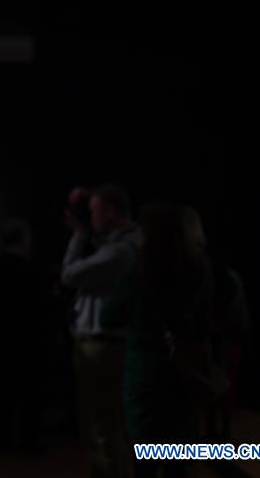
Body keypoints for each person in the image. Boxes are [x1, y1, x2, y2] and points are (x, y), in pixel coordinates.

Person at [101, 203, 214, 478]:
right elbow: (204, 324)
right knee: (176, 460)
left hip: (145, 375)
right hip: (184, 373)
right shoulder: (199, 273)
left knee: (145, 459)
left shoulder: (139, 275)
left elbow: (108, 317)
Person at [62, 184, 139, 478]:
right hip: (107, 345)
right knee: (107, 427)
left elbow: (69, 275)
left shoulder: (121, 249)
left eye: (93, 210)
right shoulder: (125, 243)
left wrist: (78, 237)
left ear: (109, 211)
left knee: (102, 427)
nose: (89, 217)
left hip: (102, 347)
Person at [0, 218, 48, 452]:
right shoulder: (33, 271)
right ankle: (28, 442)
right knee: (30, 395)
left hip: (1, 340)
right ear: (22, 240)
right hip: (29, 341)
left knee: (3, 394)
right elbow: (43, 306)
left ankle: (4, 441)